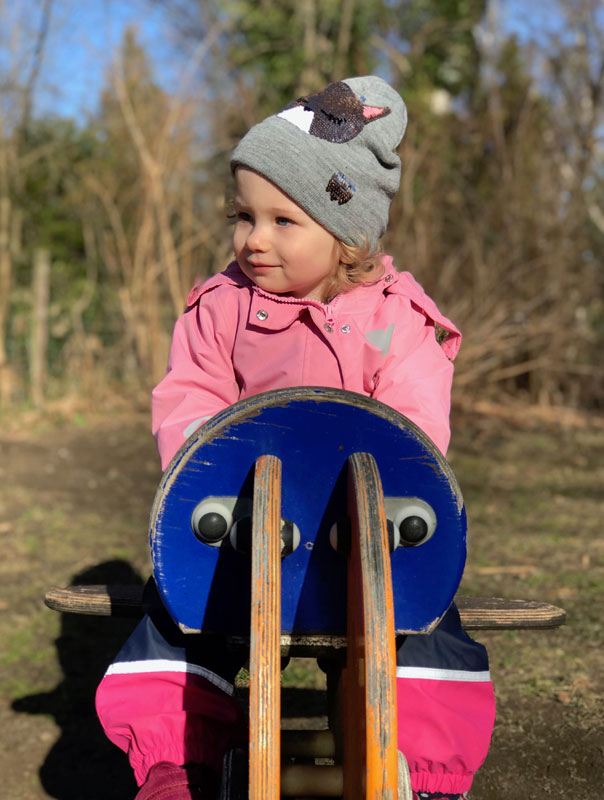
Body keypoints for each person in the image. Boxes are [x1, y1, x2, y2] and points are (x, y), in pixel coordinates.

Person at [96, 76, 496, 800]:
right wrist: (206, 489)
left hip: (361, 540)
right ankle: (174, 767)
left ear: (347, 229)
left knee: (429, 628)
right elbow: (190, 401)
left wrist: (385, 512)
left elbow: (414, 432)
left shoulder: (398, 321)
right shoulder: (222, 311)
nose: (253, 240)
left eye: (283, 220)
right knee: (177, 628)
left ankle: (424, 775)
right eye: (243, 217)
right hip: (246, 537)